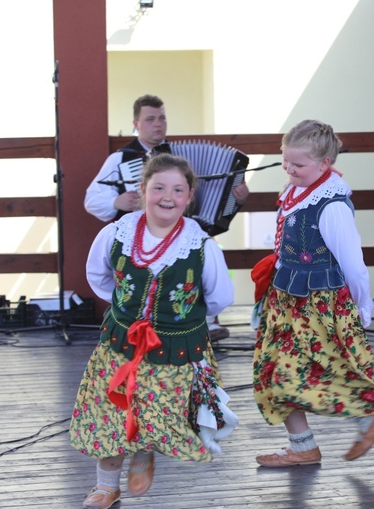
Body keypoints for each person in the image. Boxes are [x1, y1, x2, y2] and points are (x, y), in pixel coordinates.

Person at [71, 153, 238, 509]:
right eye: (158, 187)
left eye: (178, 189)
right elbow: (98, 276)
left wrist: (181, 318)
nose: (167, 196)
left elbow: (220, 296)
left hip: (172, 351)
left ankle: (145, 452)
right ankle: (105, 485)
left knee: (156, 413)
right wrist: (126, 307)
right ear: (142, 189)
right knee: (110, 413)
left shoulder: (202, 247)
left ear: (189, 196)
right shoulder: (116, 233)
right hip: (120, 346)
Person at [250, 119, 374, 467]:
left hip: (318, 304)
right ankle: (303, 445)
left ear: (325, 163)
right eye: (286, 161)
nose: (289, 169)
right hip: (286, 300)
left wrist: (363, 303)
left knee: (324, 367)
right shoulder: (297, 191)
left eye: (297, 164)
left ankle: (367, 416)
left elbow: (353, 261)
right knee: (274, 371)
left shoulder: (331, 205)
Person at [84, 93, 247, 341]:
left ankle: (203, 319)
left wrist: (236, 197)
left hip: (183, 232)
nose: (158, 124)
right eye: (150, 119)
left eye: (162, 118)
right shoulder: (122, 159)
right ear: (136, 123)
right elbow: (92, 199)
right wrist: (116, 202)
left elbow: (210, 200)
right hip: (142, 235)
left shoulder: (179, 157)